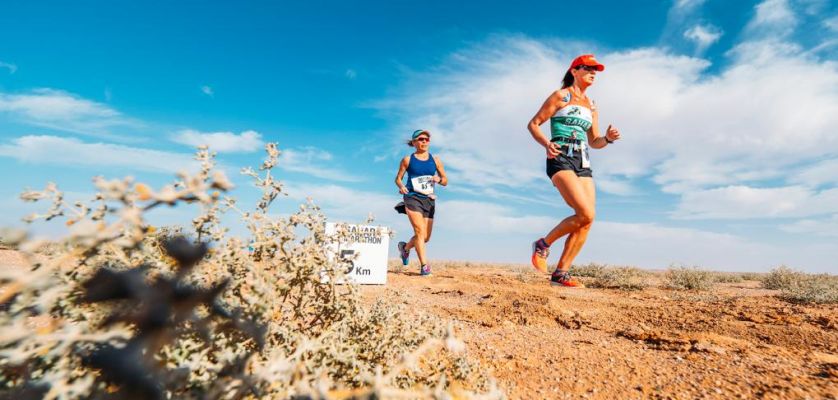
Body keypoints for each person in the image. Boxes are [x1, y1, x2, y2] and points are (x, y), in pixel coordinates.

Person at [526, 54, 621, 287]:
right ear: (574, 71)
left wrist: (607, 139)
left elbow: (594, 141)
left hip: (583, 160)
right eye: (588, 68)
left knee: (587, 220)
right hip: (560, 156)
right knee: (585, 212)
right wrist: (547, 144)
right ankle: (543, 244)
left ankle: (561, 273)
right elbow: (533, 124)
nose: (593, 72)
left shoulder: (592, 105)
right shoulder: (562, 95)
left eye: (595, 69)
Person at [394, 129, 448, 276]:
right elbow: (398, 178)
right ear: (414, 142)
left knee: (425, 237)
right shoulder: (407, 159)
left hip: (429, 200)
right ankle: (424, 267)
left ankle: (405, 249)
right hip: (412, 197)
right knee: (419, 231)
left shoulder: (435, 160)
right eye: (421, 139)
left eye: (427, 139)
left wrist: (439, 179)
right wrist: (401, 186)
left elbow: (445, 181)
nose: (424, 141)